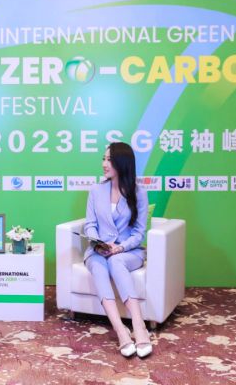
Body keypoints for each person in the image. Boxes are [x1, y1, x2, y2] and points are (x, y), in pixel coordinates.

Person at [84, 142, 152, 358]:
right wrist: (98, 243)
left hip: (128, 252)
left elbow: (139, 232)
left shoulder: (139, 193)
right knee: (98, 266)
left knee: (116, 261)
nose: (104, 164)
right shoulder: (96, 190)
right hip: (99, 250)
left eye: (109, 160)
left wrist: (120, 247)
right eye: (103, 159)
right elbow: (90, 224)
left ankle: (139, 326)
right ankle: (121, 331)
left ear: (122, 163)